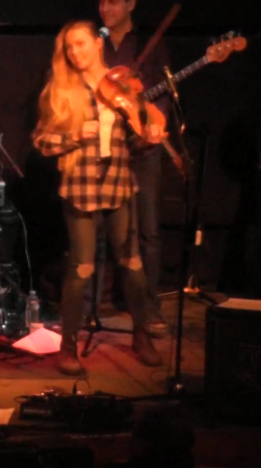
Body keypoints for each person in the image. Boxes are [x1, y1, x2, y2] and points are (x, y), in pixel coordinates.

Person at [32, 20, 163, 375]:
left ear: (97, 43)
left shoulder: (122, 83)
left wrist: (147, 136)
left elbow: (131, 139)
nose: (74, 52)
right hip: (81, 186)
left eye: (80, 44)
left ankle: (141, 336)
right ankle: (68, 347)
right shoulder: (62, 89)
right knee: (82, 267)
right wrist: (74, 136)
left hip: (118, 183)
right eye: (69, 48)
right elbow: (42, 141)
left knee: (132, 264)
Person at [98, 0, 172, 338]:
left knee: (147, 231)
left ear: (130, 4)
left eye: (113, 2)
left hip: (143, 149)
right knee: (104, 229)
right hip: (108, 148)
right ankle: (104, 302)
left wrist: (155, 126)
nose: (106, 9)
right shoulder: (95, 45)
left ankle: (149, 308)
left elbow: (163, 90)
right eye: (102, 2)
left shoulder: (148, 44)